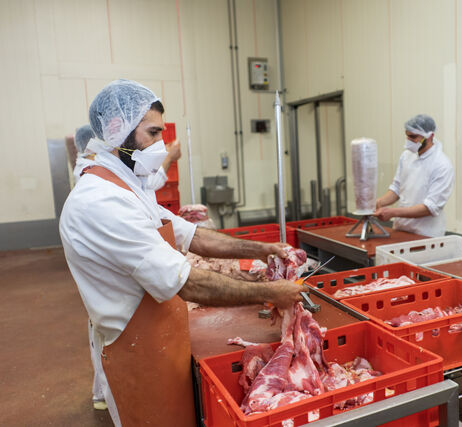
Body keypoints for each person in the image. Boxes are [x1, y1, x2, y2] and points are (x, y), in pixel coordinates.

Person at [59, 79, 302, 427]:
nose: (161, 145)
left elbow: (194, 236)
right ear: (116, 129)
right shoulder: (101, 201)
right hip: (138, 353)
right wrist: (271, 291)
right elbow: (187, 283)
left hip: (161, 339)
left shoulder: (128, 188)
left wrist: (262, 249)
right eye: (152, 133)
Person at [374, 114, 455, 237]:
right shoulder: (406, 156)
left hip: (426, 234)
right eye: (407, 136)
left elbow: (430, 207)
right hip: (401, 229)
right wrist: (378, 203)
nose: (408, 140)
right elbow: (396, 188)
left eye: (413, 137)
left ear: (430, 136)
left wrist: (392, 212)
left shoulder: (442, 165)